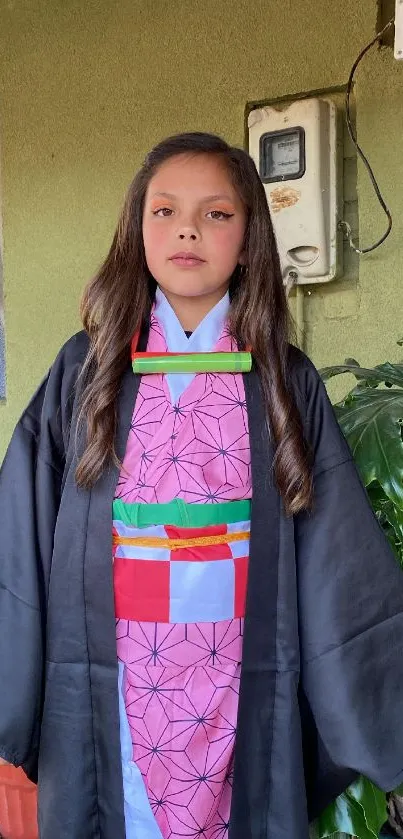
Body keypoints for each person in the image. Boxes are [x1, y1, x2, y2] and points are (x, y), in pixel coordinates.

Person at [1, 132, 403, 839]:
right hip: (113, 681)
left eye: (216, 213)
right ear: (138, 231)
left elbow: (339, 564)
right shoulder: (85, 371)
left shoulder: (283, 378)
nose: (187, 227)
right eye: (164, 211)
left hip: (241, 676)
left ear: (248, 240)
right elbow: (21, 538)